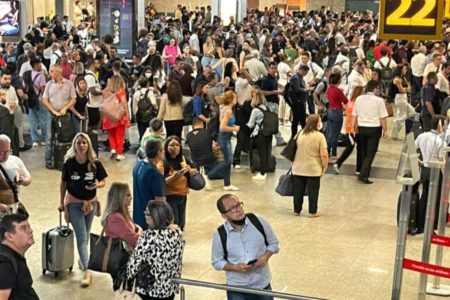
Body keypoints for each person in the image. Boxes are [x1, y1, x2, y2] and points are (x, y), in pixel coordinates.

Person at [60, 132, 108, 287]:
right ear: (74, 145)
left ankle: (83, 259)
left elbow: (103, 182)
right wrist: (62, 202)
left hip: (91, 203)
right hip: (74, 203)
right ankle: (88, 270)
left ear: (88, 145)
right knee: (81, 237)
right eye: (78, 143)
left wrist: (96, 185)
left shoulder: (94, 163)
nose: (81, 145)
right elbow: (63, 184)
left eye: (84, 143)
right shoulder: (69, 163)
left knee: (86, 234)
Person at [211, 194, 279, 300]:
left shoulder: (258, 221)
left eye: (238, 205)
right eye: (232, 208)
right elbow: (216, 262)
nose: (238, 210)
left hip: (262, 285)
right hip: (237, 289)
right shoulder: (220, 235)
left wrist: (266, 256)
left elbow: (273, 243)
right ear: (224, 216)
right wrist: (235, 267)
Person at [126, 200, 185, 300]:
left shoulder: (147, 237)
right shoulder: (177, 235)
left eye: (147, 213)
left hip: (149, 290)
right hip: (169, 289)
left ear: (154, 218)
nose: (144, 214)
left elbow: (132, 268)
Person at [292, 115, 328, 217]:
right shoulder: (320, 136)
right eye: (319, 121)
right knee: (313, 191)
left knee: (298, 191)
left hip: (297, 167)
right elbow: (324, 154)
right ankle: (312, 212)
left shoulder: (299, 133)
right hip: (313, 168)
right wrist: (324, 167)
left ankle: (296, 210)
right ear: (316, 123)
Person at [353, 80, 389, 184]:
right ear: (375, 89)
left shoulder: (359, 99)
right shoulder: (379, 101)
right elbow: (383, 117)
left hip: (361, 127)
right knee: (371, 152)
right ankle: (363, 174)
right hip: (374, 128)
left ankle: (363, 171)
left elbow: (355, 115)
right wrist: (385, 130)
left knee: (363, 151)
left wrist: (353, 127)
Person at [158, 136, 197, 231]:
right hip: (170, 195)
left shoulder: (183, 159)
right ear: (166, 147)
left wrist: (189, 170)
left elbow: (195, 170)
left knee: (181, 222)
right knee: (174, 221)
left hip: (183, 194)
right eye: (171, 145)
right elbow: (161, 181)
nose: (175, 148)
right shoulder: (163, 162)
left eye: (177, 145)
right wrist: (175, 176)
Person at [415, 115, 445, 233]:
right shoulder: (439, 141)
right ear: (439, 125)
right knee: (435, 199)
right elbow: (442, 161)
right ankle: (432, 226)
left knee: (425, 197)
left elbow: (410, 148)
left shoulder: (422, 136)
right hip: (436, 171)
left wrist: (418, 161)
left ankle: (421, 224)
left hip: (425, 170)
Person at [187, 118, 236, 190]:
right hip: (210, 160)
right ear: (202, 124)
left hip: (196, 162)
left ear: (192, 126)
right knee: (225, 171)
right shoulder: (207, 133)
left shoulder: (188, 136)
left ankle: (203, 173)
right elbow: (215, 146)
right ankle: (208, 175)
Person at [42, 64, 76, 169]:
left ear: (58, 72)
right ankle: (48, 160)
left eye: (52, 71)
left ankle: (67, 158)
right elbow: (45, 99)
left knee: (66, 137)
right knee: (49, 137)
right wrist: (53, 111)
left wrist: (65, 108)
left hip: (64, 115)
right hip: (50, 114)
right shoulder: (49, 84)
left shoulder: (69, 84)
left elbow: (73, 99)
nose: (50, 73)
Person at [0, 214, 39, 299]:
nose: (30, 231)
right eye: (24, 228)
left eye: (29, 226)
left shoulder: (12, 254)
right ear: (9, 236)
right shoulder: (5, 263)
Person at [132, 139, 165, 230]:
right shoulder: (155, 173)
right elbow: (159, 201)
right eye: (163, 150)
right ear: (159, 152)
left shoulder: (138, 166)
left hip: (137, 214)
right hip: (150, 218)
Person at [333, 86, 364, 174]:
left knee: (355, 147)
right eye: (363, 92)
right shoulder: (356, 104)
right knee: (354, 147)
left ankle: (357, 169)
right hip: (353, 129)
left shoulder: (350, 102)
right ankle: (340, 163)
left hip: (351, 129)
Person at [102, 182, 142, 252]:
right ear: (120, 197)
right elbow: (135, 240)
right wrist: (140, 230)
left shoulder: (122, 214)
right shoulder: (115, 218)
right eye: (128, 195)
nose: (131, 198)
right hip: (119, 258)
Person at [0, 134, 31, 214]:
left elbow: (28, 179)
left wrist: (23, 180)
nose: (5, 155)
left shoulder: (15, 161)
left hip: (14, 204)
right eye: (2, 152)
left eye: (8, 151)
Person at [103, 75, 130, 161]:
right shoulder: (120, 91)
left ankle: (113, 149)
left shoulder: (106, 91)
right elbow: (124, 104)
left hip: (108, 116)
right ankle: (119, 154)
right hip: (118, 116)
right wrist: (127, 115)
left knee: (111, 134)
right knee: (120, 135)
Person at [218, 91, 240, 191]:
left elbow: (222, 122)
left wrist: (231, 126)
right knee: (228, 161)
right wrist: (234, 129)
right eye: (235, 98)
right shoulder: (228, 111)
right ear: (231, 99)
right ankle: (210, 174)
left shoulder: (223, 108)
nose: (236, 99)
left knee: (227, 160)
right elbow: (222, 127)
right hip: (224, 137)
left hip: (225, 137)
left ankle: (227, 183)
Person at [247, 90, 272, 180]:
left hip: (260, 133)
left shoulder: (255, 110)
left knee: (261, 153)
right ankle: (264, 170)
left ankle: (262, 173)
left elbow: (250, 124)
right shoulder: (267, 108)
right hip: (268, 132)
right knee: (266, 152)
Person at [326, 72, 348, 159]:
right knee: (336, 133)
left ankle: (327, 151)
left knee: (330, 133)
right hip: (337, 112)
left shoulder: (329, 89)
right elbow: (345, 100)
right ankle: (334, 153)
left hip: (330, 110)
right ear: (338, 80)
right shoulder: (338, 90)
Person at [391, 64, 416, 140]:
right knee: (404, 116)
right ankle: (395, 132)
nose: (405, 70)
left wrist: (407, 89)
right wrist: (407, 89)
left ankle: (396, 133)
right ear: (400, 70)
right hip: (400, 98)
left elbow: (408, 88)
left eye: (405, 69)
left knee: (410, 113)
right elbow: (401, 90)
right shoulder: (397, 79)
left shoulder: (403, 77)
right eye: (403, 69)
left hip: (404, 97)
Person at [289, 64, 311, 137]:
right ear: (302, 70)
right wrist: (306, 89)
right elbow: (297, 89)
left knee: (302, 119)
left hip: (300, 101)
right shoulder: (296, 77)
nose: (306, 74)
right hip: (297, 102)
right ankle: (294, 135)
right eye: (306, 72)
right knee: (296, 119)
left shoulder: (300, 77)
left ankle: (305, 135)